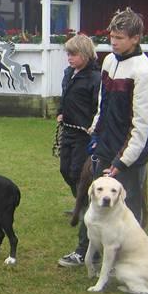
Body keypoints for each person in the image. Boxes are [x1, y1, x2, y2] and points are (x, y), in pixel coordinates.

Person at [58, 8, 148, 267]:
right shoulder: (110, 62)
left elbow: (141, 123)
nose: (114, 41)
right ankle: (84, 251)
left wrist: (123, 161)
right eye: (112, 36)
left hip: (129, 156)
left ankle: (126, 261)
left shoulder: (144, 71)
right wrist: (95, 132)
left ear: (135, 38)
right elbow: (103, 104)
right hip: (103, 146)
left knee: (126, 211)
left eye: (120, 37)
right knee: (94, 201)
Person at [56, 35, 101, 198]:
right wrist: (60, 112)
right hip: (67, 129)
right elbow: (65, 95)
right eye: (68, 54)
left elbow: (98, 105)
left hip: (84, 132)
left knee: (77, 171)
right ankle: (81, 202)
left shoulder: (95, 78)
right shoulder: (69, 73)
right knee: (64, 169)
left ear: (86, 54)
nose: (69, 58)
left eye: (73, 54)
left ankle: (84, 205)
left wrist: (94, 128)